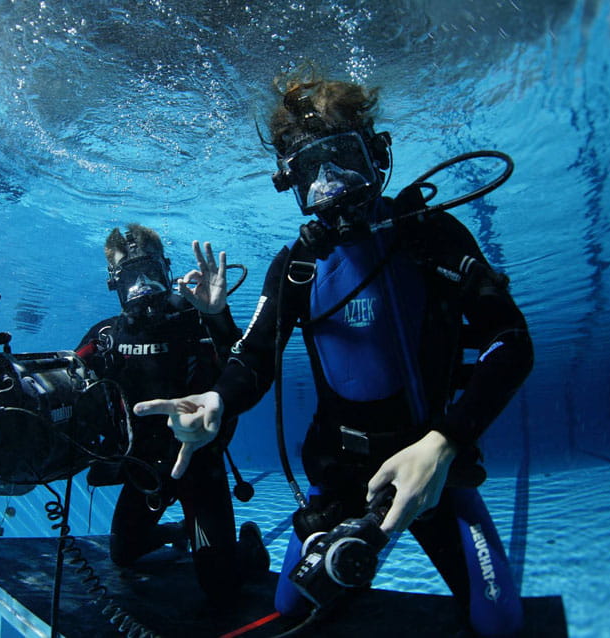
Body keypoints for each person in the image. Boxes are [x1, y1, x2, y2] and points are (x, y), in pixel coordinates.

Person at [134, 74, 533, 637]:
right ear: (291, 183)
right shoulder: (296, 264)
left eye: (343, 158)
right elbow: (255, 357)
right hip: (343, 479)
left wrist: (445, 443)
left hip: (435, 472)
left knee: (501, 624)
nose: (329, 184)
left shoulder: (431, 235)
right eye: (308, 172)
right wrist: (218, 398)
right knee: (293, 609)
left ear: (376, 155)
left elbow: (510, 342)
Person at [75, 223, 269, 604]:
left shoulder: (197, 316)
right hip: (144, 472)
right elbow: (68, 379)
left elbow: (245, 369)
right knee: (123, 554)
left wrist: (219, 315)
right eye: (130, 277)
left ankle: (247, 546)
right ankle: (182, 533)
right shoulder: (105, 337)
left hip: (201, 467)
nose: (142, 286)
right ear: (113, 283)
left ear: (166, 268)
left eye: (150, 272)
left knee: (220, 586)